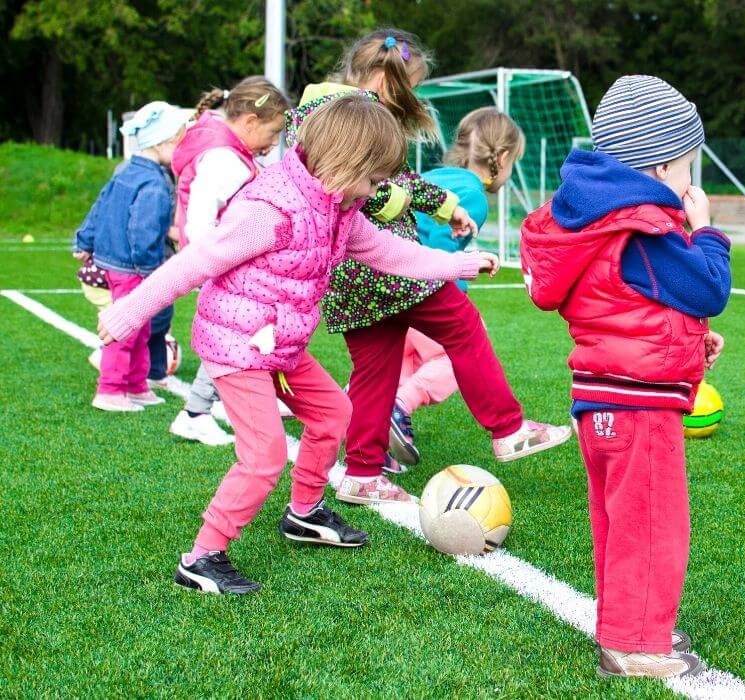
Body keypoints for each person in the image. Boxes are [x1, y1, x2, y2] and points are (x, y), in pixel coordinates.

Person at [96, 95, 499, 595]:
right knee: (264, 454)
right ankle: (201, 557)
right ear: (345, 163)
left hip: (280, 345)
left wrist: (459, 264)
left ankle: (304, 513)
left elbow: (387, 252)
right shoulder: (270, 209)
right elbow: (195, 262)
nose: (378, 192)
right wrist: (129, 312)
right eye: (374, 180)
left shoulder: (339, 205)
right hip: (237, 345)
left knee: (335, 414)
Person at [286, 28, 570, 508]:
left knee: (376, 369)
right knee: (462, 326)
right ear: (382, 77)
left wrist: (445, 207)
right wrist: (405, 206)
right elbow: (365, 188)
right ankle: (508, 428)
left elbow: (396, 178)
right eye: (408, 87)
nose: (410, 98)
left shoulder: (319, 109)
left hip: (349, 275)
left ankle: (361, 472)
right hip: (386, 265)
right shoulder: (348, 114)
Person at [520, 75, 731, 678]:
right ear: (662, 165)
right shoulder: (644, 227)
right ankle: (636, 644)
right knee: (652, 525)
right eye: (689, 165)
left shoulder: (600, 221)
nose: (692, 181)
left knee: (620, 522)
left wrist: (691, 343)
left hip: (603, 399)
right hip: (638, 409)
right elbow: (709, 286)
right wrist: (707, 230)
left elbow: (628, 305)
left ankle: (628, 624)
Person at [387, 106, 526, 467]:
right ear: (504, 157)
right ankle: (399, 407)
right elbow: (439, 251)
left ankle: (360, 415)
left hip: (385, 285)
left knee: (397, 362)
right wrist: (461, 275)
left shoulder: (435, 176)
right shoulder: (474, 197)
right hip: (419, 289)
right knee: (455, 355)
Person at [167, 76, 291, 446]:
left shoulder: (228, 151)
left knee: (247, 332)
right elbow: (202, 217)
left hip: (223, 262)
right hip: (222, 265)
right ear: (250, 122)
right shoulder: (225, 160)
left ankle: (220, 404)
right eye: (272, 133)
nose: (272, 145)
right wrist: (213, 263)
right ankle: (195, 412)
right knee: (235, 336)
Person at [73, 101, 192, 412]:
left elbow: (99, 205)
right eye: (180, 142)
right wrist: (151, 272)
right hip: (133, 267)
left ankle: (136, 385)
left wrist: (84, 239)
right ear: (165, 142)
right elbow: (143, 230)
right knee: (127, 327)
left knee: (141, 326)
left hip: (117, 262)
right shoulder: (153, 182)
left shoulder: (126, 169)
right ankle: (110, 390)